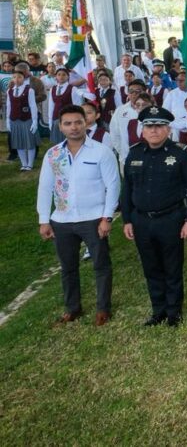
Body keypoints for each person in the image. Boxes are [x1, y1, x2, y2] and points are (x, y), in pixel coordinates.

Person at [37, 105, 120, 326]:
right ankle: (72, 308)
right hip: (62, 221)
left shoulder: (101, 151)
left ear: (86, 123)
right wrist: (44, 219)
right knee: (68, 267)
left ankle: (103, 308)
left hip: (93, 219)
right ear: (60, 127)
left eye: (78, 122)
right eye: (68, 123)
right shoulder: (53, 154)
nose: (73, 127)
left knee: (101, 264)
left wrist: (107, 217)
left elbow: (113, 186)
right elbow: (45, 187)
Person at [121, 106, 187, 327]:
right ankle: (158, 310)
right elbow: (127, 188)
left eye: (159, 126)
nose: (154, 131)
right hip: (141, 221)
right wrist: (127, 219)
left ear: (167, 129)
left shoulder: (180, 154)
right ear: (143, 130)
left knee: (172, 266)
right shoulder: (134, 153)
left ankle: (174, 311)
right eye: (149, 126)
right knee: (151, 267)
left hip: (171, 218)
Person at [6, 68, 39, 171]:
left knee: (29, 143)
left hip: (26, 119)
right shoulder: (9, 91)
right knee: (19, 143)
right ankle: (24, 164)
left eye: (19, 77)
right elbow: (9, 105)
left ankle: (30, 164)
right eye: (14, 77)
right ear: (12, 79)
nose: (16, 79)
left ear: (24, 78)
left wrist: (34, 121)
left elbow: (33, 105)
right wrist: (8, 120)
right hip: (14, 120)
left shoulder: (29, 90)